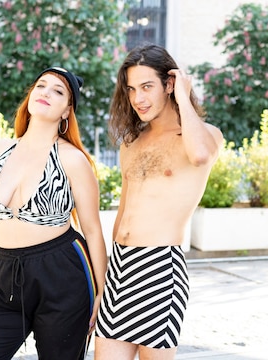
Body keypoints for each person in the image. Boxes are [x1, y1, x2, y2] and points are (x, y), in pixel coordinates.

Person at [0, 66, 107, 360]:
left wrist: (101, 294)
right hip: (1, 274)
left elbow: (92, 230)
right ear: (30, 96)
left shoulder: (72, 159)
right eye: (41, 86)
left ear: (67, 111)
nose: (46, 93)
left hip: (62, 275)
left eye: (58, 91)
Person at [94, 44, 224, 360]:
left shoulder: (203, 135)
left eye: (147, 86)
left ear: (169, 84)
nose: (138, 98)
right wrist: (105, 283)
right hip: (120, 268)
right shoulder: (132, 142)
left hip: (160, 268)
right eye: (131, 89)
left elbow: (201, 155)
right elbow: (123, 211)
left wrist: (184, 96)